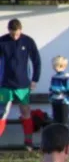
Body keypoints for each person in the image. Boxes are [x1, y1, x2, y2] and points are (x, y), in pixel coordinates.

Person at [0, 18, 42, 151]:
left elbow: (36, 61)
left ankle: (28, 143)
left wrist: (35, 79)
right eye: (13, 34)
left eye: (17, 34)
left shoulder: (27, 41)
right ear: (9, 31)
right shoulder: (2, 41)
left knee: (26, 112)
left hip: (23, 86)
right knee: (2, 113)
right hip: (5, 85)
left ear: (21, 30)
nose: (15, 36)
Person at [49, 55, 69, 125]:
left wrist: (67, 100)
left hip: (63, 104)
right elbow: (51, 89)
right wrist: (51, 98)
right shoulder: (54, 77)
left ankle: (65, 136)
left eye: (54, 65)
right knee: (56, 123)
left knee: (64, 123)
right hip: (55, 102)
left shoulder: (66, 78)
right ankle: (57, 136)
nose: (53, 67)